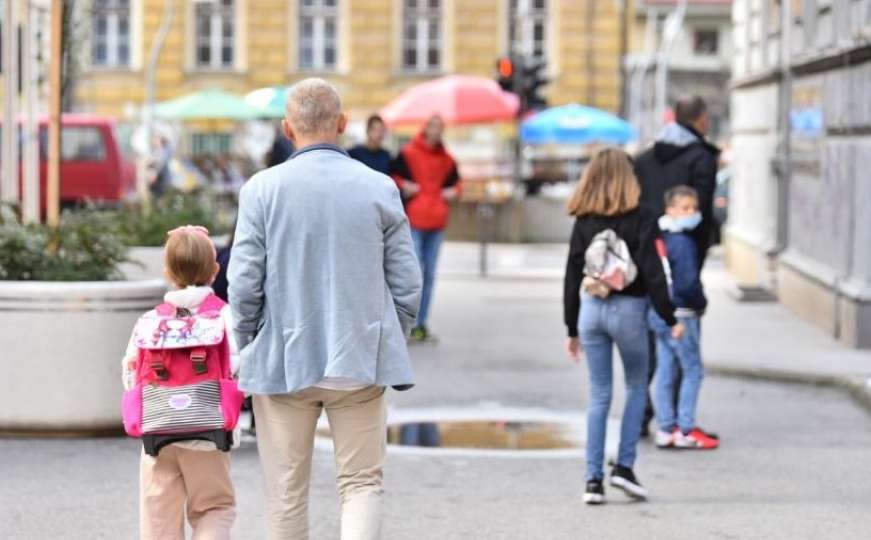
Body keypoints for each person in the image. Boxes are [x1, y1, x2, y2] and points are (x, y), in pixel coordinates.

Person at [228, 78, 422, 540]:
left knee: (285, 491)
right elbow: (408, 281)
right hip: (358, 357)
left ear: (287, 128)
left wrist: (249, 339)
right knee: (361, 484)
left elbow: (243, 282)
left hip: (284, 357)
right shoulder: (379, 187)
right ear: (342, 124)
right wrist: (388, 333)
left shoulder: (261, 189)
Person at [563, 147, 683, 505]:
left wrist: (571, 327)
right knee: (635, 385)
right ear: (629, 178)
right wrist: (670, 316)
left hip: (591, 311)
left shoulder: (583, 220)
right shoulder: (642, 216)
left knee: (599, 394)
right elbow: (653, 271)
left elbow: (571, 275)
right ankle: (624, 467)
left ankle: (592, 480)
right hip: (629, 311)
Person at [121, 225, 239, 539]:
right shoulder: (225, 317)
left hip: (158, 433)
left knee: (159, 519)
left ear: (167, 272)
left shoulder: (149, 320)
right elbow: (239, 366)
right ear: (215, 271)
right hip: (209, 431)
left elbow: (131, 372)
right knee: (214, 508)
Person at [634, 96, 720, 437]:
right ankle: (680, 423)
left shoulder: (643, 160)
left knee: (650, 338)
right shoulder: (701, 159)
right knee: (683, 351)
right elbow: (705, 212)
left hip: (647, 255)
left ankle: (644, 413)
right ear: (700, 120)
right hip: (683, 260)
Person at [650, 186, 719, 450]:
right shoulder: (683, 243)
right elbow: (688, 284)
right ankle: (686, 428)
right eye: (685, 208)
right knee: (692, 370)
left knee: (667, 369)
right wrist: (701, 303)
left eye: (694, 208)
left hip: (659, 312)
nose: (691, 213)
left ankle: (666, 427)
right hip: (683, 315)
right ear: (670, 210)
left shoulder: (659, 239)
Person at [390, 115, 461, 342]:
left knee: (429, 274)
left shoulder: (447, 159)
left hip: (437, 220)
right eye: (434, 127)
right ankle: (407, 322)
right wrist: (405, 186)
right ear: (426, 129)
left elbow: (457, 183)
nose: (437, 132)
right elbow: (392, 177)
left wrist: (454, 192)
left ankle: (420, 324)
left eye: (441, 128)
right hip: (416, 218)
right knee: (414, 273)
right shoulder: (409, 153)